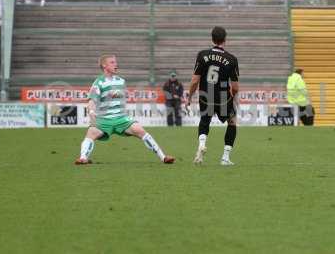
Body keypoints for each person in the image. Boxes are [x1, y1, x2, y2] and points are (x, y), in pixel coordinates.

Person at [75, 54, 175, 165]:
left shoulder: (121, 81)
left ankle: (163, 157)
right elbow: (92, 100)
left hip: (121, 118)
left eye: (116, 62)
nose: (116, 64)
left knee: (140, 130)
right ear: (104, 65)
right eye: (112, 62)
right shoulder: (99, 82)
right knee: (91, 133)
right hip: (104, 119)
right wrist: (92, 111)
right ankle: (83, 158)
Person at [185, 26, 239, 166]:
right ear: (225, 40)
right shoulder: (232, 59)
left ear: (212, 38)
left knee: (204, 120)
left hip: (205, 95)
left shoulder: (202, 55)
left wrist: (189, 98)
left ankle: (201, 145)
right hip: (223, 98)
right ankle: (225, 158)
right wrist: (234, 98)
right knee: (232, 121)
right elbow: (235, 87)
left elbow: (195, 81)